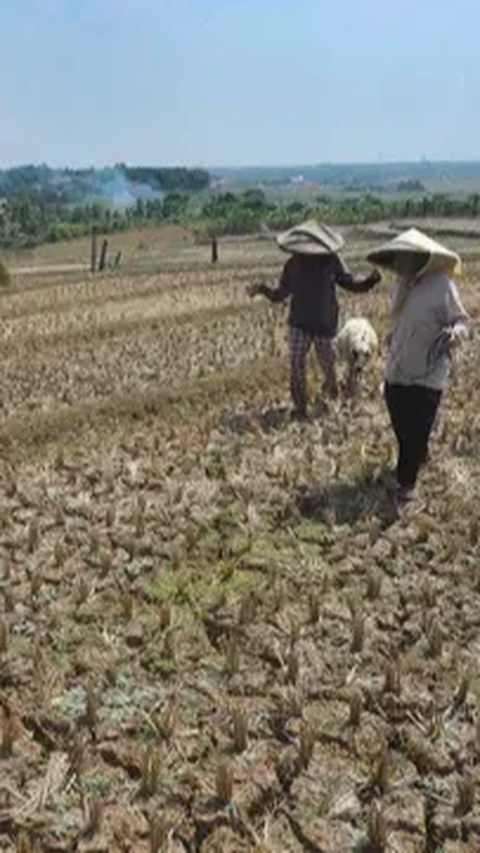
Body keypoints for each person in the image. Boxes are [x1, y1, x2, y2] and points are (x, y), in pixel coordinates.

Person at [367, 227, 470, 510]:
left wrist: (455, 333)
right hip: (398, 368)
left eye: (404, 257)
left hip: (429, 372)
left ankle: (406, 488)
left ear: (420, 259)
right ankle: (416, 456)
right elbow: (400, 322)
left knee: (415, 429)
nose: (399, 263)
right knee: (401, 423)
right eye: (397, 258)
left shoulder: (442, 285)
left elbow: (463, 321)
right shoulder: (400, 284)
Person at [247, 220, 381, 419]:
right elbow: (279, 294)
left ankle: (331, 397)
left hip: (324, 325)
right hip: (299, 323)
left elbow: (350, 283)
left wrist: (369, 282)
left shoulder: (331, 261)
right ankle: (300, 408)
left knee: (329, 366)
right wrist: (262, 289)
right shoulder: (293, 264)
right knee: (296, 367)